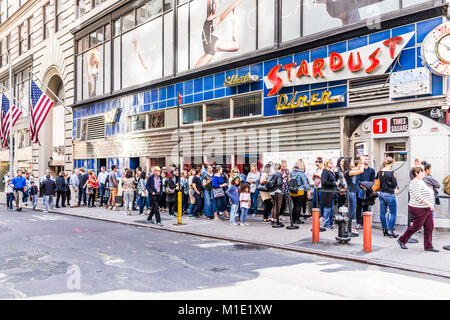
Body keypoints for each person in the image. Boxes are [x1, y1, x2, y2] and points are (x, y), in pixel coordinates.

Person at [397, 167, 438, 252]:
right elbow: (417, 196)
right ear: (416, 173)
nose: (424, 173)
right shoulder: (414, 183)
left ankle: (428, 246)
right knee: (416, 226)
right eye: (422, 172)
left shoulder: (421, 181)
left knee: (429, 226)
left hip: (426, 208)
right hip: (419, 208)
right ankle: (402, 240)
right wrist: (429, 204)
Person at [195, 0, 244, 68]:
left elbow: (230, 7)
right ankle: (234, 20)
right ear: (212, 5)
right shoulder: (209, 15)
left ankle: (235, 21)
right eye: (214, 4)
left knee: (236, 46)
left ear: (219, 5)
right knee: (196, 69)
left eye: (217, 4)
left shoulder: (217, 19)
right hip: (209, 48)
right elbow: (208, 2)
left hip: (212, 43)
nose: (215, 6)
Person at [377, 157, 399, 238]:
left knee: (382, 213)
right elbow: (394, 184)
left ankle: (384, 229)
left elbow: (377, 181)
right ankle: (390, 230)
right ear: (392, 163)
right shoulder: (391, 172)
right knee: (393, 213)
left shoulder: (380, 172)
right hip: (389, 194)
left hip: (381, 194)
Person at [343, 155, 364, 231]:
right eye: (352, 161)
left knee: (351, 211)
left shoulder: (350, 170)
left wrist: (360, 160)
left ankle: (349, 227)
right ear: (348, 163)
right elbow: (361, 170)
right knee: (351, 211)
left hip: (352, 192)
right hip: (351, 193)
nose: (353, 162)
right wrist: (363, 161)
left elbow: (358, 167)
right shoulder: (349, 172)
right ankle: (349, 229)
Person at [355, 155, 375, 229]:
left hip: (368, 190)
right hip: (360, 190)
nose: (367, 160)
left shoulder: (371, 170)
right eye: (365, 159)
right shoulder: (359, 170)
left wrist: (368, 186)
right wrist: (363, 186)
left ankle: (364, 222)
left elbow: (373, 181)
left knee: (366, 206)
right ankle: (358, 222)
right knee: (359, 206)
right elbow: (358, 180)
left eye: (368, 159)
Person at [290, 159, 310, 224]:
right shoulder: (301, 173)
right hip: (300, 191)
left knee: (294, 205)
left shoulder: (291, 173)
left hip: (292, 192)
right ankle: (297, 220)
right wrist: (308, 190)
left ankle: (293, 219)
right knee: (298, 206)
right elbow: (305, 183)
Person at [321, 159, 337, 229]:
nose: (332, 164)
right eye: (330, 163)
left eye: (332, 162)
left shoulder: (331, 172)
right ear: (326, 163)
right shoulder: (325, 172)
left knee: (330, 209)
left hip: (331, 192)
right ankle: (326, 223)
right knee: (327, 208)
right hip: (327, 193)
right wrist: (334, 183)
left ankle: (329, 223)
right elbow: (324, 182)